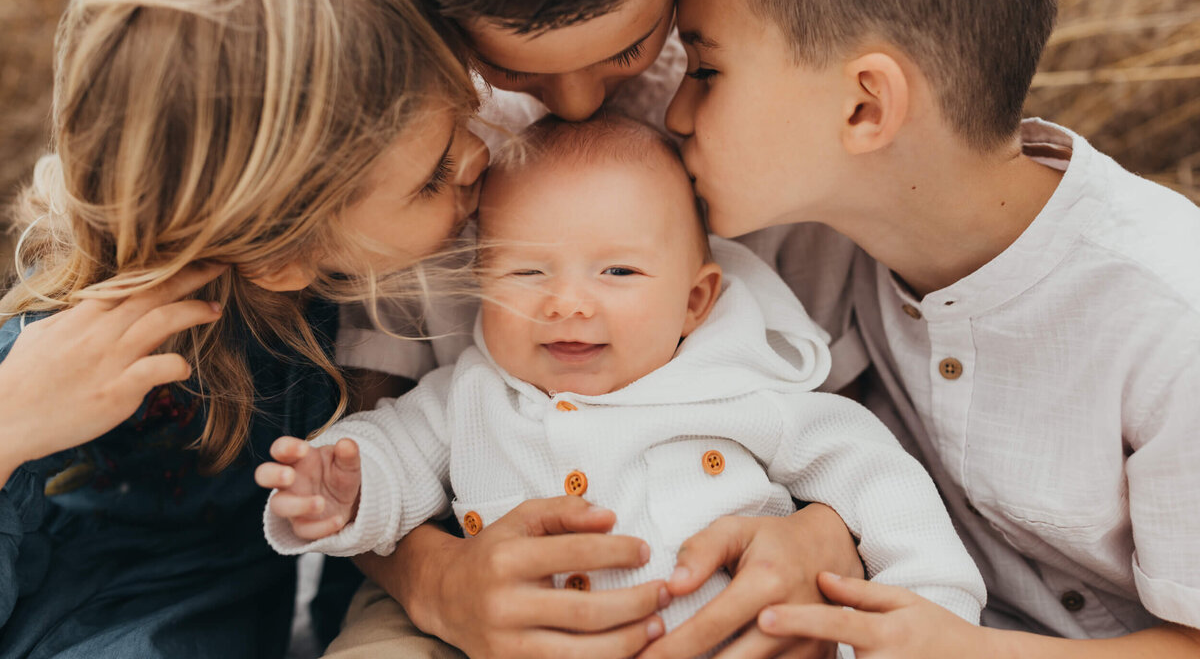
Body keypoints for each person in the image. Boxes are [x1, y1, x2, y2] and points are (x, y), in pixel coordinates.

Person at [663, 0, 1200, 656]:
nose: (676, 111)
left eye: (706, 70)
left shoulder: (1169, 317)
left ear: (865, 105)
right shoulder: (806, 246)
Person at [332, 0, 868, 657]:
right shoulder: (419, 133)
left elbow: (850, 423)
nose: (576, 103)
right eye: (512, 64)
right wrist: (436, 583)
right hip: (444, 575)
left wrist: (825, 537)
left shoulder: (771, 106)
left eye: (630, 45)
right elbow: (363, 430)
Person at [259, 116, 985, 652]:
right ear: (480, 285)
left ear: (695, 302)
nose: (568, 302)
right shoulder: (472, 395)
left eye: (618, 272)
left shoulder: (743, 390)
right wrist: (344, 483)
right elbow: (393, 451)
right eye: (528, 272)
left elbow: (879, 479)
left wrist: (932, 609)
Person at [0, 0, 488, 658]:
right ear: (279, 254)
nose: (479, 158)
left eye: (468, 118)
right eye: (432, 176)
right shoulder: (66, 359)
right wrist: (10, 426)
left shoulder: (320, 305)